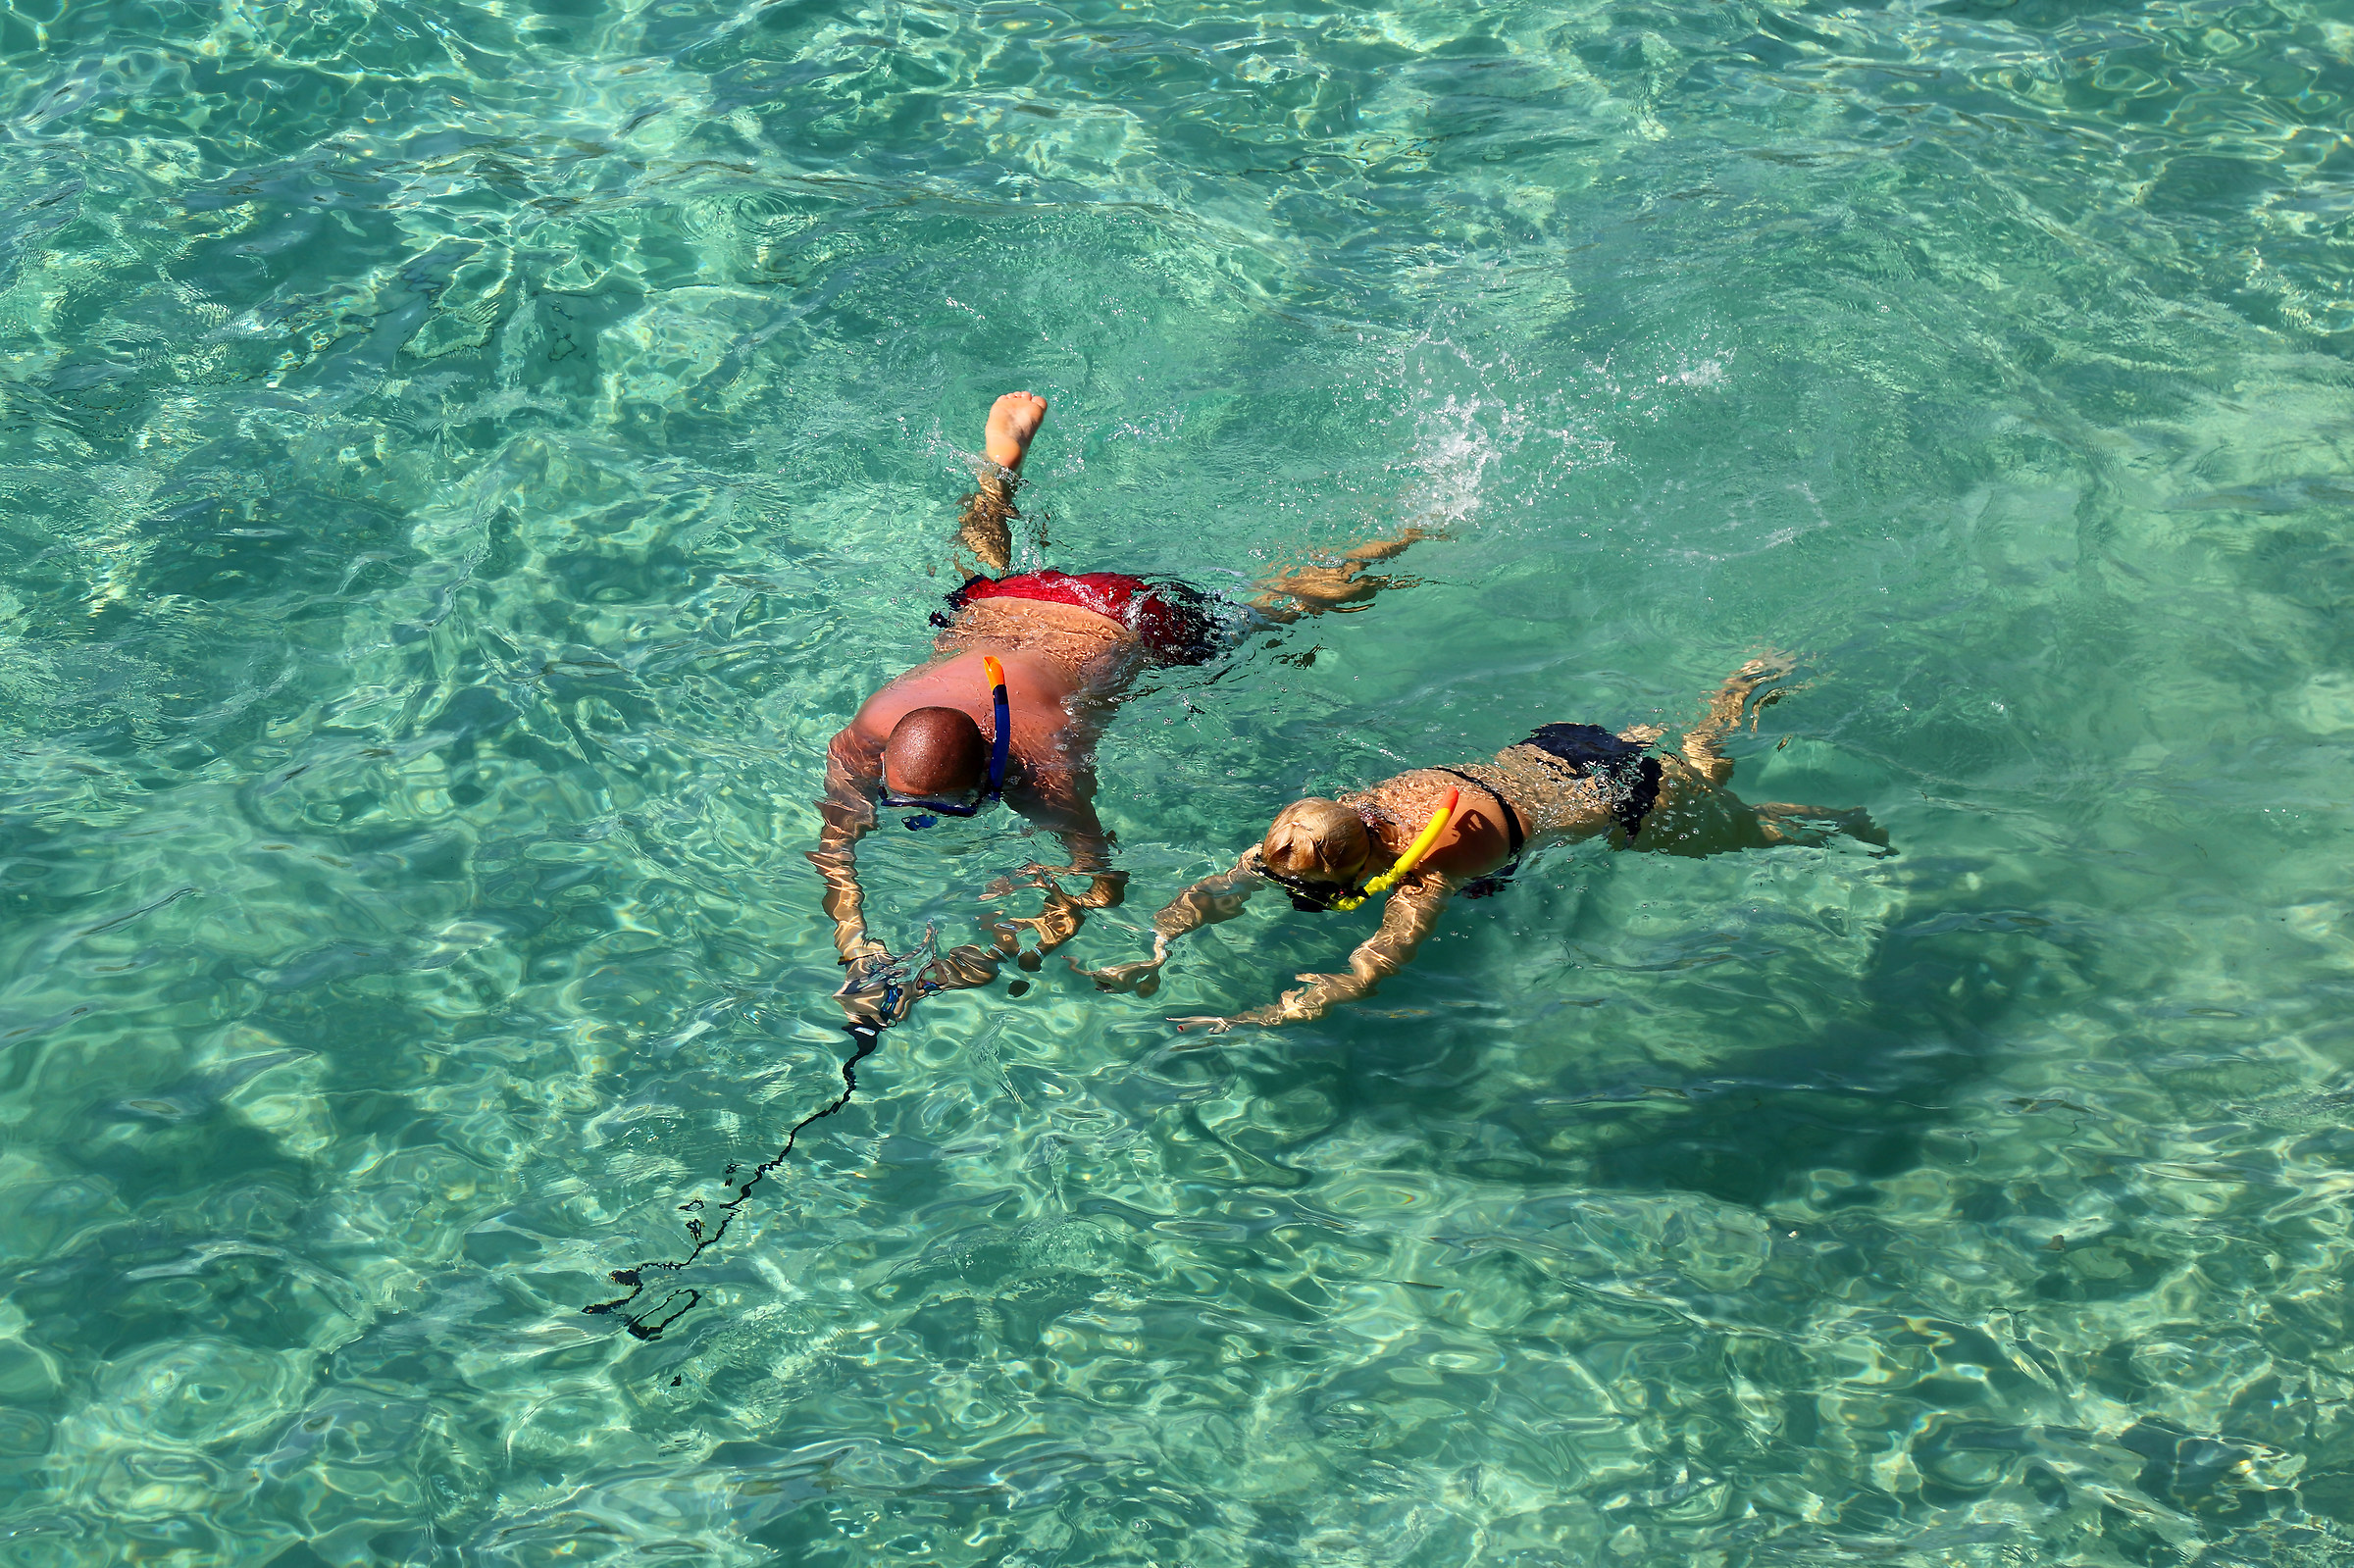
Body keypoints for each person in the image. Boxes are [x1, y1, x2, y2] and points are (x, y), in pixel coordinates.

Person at [813, 391, 1433, 1024]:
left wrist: (1009, 946)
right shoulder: (867, 737)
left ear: (987, 774)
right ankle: (996, 473)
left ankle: (1409, 533)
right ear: (887, 760)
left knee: (1266, 612)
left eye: (942, 809)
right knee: (976, 568)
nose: (923, 822)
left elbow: (1103, 879)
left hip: (1121, 616)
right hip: (1006, 603)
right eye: (906, 806)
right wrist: (856, 951)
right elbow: (834, 852)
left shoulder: (1041, 774)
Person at [1088, 658, 1889, 1031]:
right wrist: (1159, 946)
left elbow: (1368, 972)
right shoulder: (1343, 817)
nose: (1292, 886)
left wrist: (1252, 1017)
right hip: (1558, 747)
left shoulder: (1425, 873)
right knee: (1700, 776)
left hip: (1615, 796)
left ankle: (1822, 799)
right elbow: (1233, 880)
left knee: (1743, 830)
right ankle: (1714, 722)